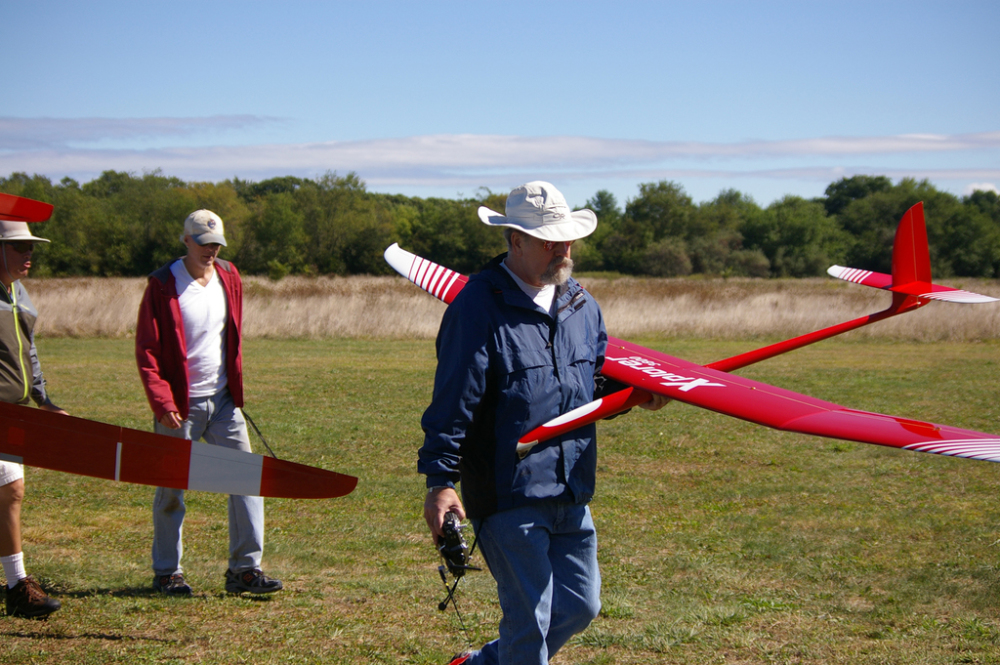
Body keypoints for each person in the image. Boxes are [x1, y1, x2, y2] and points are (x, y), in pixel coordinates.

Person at [420, 182, 666, 665]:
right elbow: (453, 401)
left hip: (571, 486)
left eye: (567, 237)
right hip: (508, 491)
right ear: (515, 241)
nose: (563, 249)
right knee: (529, 622)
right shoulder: (477, 309)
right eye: (550, 239)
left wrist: (635, 397)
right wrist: (440, 482)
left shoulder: (581, 305)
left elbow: (586, 388)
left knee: (580, 605)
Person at [135, 209, 282, 596]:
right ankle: (168, 573)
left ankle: (245, 571)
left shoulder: (230, 277)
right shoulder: (163, 283)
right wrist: (162, 400)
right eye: (203, 243)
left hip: (223, 403)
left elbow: (231, 336)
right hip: (178, 407)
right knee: (171, 489)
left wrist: (233, 388)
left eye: (216, 243)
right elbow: (147, 350)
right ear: (186, 240)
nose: (210, 250)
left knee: (248, 480)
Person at [0, 220, 66, 618]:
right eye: (19, 246)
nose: (29, 254)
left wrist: (44, 399)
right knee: (11, 489)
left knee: (11, 490)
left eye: (31, 247)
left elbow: (30, 352)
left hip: (14, 414)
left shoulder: (19, 294)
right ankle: (16, 585)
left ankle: (16, 586)